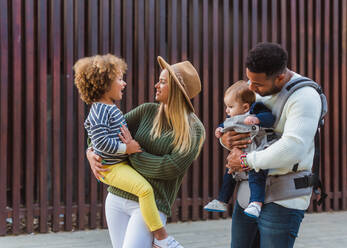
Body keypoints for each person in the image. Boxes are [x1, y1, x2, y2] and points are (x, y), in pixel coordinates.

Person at [86, 56, 205, 248]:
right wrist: (90, 152)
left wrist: (134, 152)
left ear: (176, 89)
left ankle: (164, 239)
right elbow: (102, 133)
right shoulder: (147, 111)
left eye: (163, 82)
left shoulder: (194, 129)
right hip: (116, 198)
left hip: (151, 205)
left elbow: (169, 167)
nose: (156, 85)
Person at [222, 42, 322, 248]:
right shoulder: (258, 88)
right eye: (249, 80)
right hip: (248, 193)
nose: (251, 88)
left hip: (284, 197)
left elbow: (293, 147)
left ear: (280, 77)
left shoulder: (305, 97)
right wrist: (226, 140)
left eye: (257, 84)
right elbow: (240, 124)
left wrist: (245, 160)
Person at [203, 80, 276, 218]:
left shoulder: (256, 109)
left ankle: (256, 203)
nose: (227, 110)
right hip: (239, 155)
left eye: (230, 106)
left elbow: (269, 118)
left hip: (256, 152)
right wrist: (219, 130)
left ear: (245, 107)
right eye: (226, 106)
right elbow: (224, 124)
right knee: (229, 174)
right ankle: (222, 200)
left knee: (256, 176)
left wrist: (256, 120)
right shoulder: (233, 117)